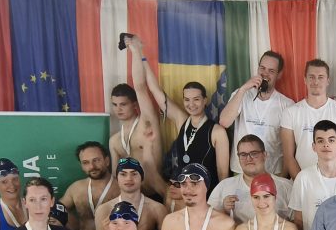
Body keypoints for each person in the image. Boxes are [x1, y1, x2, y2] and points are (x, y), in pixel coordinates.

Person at [128, 34, 230, 188]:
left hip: (206, 194)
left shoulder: (217, 132)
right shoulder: (181, 120)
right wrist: (141, 54)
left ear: (205, 100)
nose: (191, 104)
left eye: (196, 99)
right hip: (183, 191)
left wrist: (219, 198)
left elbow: (223, 174)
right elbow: (155, 91)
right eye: (187, 100)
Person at [219, 51, 293, 177]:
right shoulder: (240, 94)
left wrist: (283, 177)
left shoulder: (287, 104)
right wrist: (243, 88)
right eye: (262, 68)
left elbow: (289, 147)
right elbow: (224, 122)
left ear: (279, 74)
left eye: (271, 71)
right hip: (241, 171)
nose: (265, 73)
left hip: (272, 172)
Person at [280, 59, 336, 178]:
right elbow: (289, 157)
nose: (316, 81)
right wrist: (302, 182)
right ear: (305, 80)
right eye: (311, 77)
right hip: (300, 180)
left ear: (328, 81)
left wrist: (329, 180)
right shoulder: (290, 112)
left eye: (320, 77)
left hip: (333, 180)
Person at [106, 74, 167, 198]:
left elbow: (140, 88)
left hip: (154, 192)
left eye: (123, 104)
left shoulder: (146, 124)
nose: (118, 109)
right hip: (130, 196)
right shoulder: (114, 141)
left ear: (134, 105)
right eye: (115, 105)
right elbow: (116, 175)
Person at [208, 136, 294, 223]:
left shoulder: (286, 187)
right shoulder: (224, 186)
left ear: (264, 155)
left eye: (254, 153)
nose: (249, 159)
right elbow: (208, 222)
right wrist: (224, 210)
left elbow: (296, 222)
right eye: (243, 155)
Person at [93, 158, 167, 230]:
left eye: (134, 174)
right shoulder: (104, 209)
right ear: (117, 178)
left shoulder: (157, 209)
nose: (129, 178)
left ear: (142, 178)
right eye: (123, 174)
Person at [59, 141, 119, 230]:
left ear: (107, 161)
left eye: (96, 160)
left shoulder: (121, 188)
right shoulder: (76, 188)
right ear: (81, 165)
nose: (92, 166)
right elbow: (57, 209)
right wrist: (72, 227)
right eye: (86, 162)